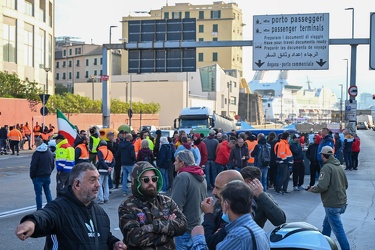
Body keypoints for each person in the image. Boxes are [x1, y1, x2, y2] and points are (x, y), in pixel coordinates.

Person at [15, 162, 127, 250]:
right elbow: (45, 216)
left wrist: (114, 243)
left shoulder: (100, 212)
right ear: (77, 184)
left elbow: (104, 237)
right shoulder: (60, 207)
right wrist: (31, 222)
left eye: (98, 179)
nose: (98, 185)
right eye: (92, 180)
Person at [118, 161, 187, 249]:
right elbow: (134, 238)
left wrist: (152, 227)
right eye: (146, 180)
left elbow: (183, 225)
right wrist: (168, 232)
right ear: (137, 182)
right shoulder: (127, 206)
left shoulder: (166, 201)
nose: (151, 182)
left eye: (154, 179)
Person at [191, 180, 270, 250]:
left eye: (221, 202)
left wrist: (198, 237)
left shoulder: (238, 236)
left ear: (226, 205)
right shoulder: (259, 231)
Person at [308, 146, 350, 250]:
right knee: (327, 225)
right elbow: (346, 185)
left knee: (339, 231)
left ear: (323, 156)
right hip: (342, 202)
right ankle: (323, 245)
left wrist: (313, 189)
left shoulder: (326, 168)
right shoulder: (339, 166)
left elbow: (322, 186)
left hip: (332, 204)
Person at [171, 150, 207, 250]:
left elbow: (176, 205)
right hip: (196, 224)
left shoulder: (182, 177)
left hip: (184, 228)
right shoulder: (201, 176)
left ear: (182, 162)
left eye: (176, 160)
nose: (174, 163)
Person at [29, 138, 54, 210]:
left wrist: (32, 175)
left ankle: (39, 209)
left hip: (38, 176)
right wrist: (49, 172)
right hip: (47, 175)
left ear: (37, 143)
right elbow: (52, 164)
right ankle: (51, 207)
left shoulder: (37, 153)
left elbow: (33, 166)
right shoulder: (49, 152)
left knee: (38, 194)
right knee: (47, 192)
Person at [96, 140, 114, 204]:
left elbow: (101, 161)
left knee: (100, 184)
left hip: (101, 170)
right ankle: (106, 198)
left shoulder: (100, 151)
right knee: (106, 185)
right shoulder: (110, 152)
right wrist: (110, 168)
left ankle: (101, 199)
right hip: (107, 170)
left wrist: (106, 167)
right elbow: (113, 161)